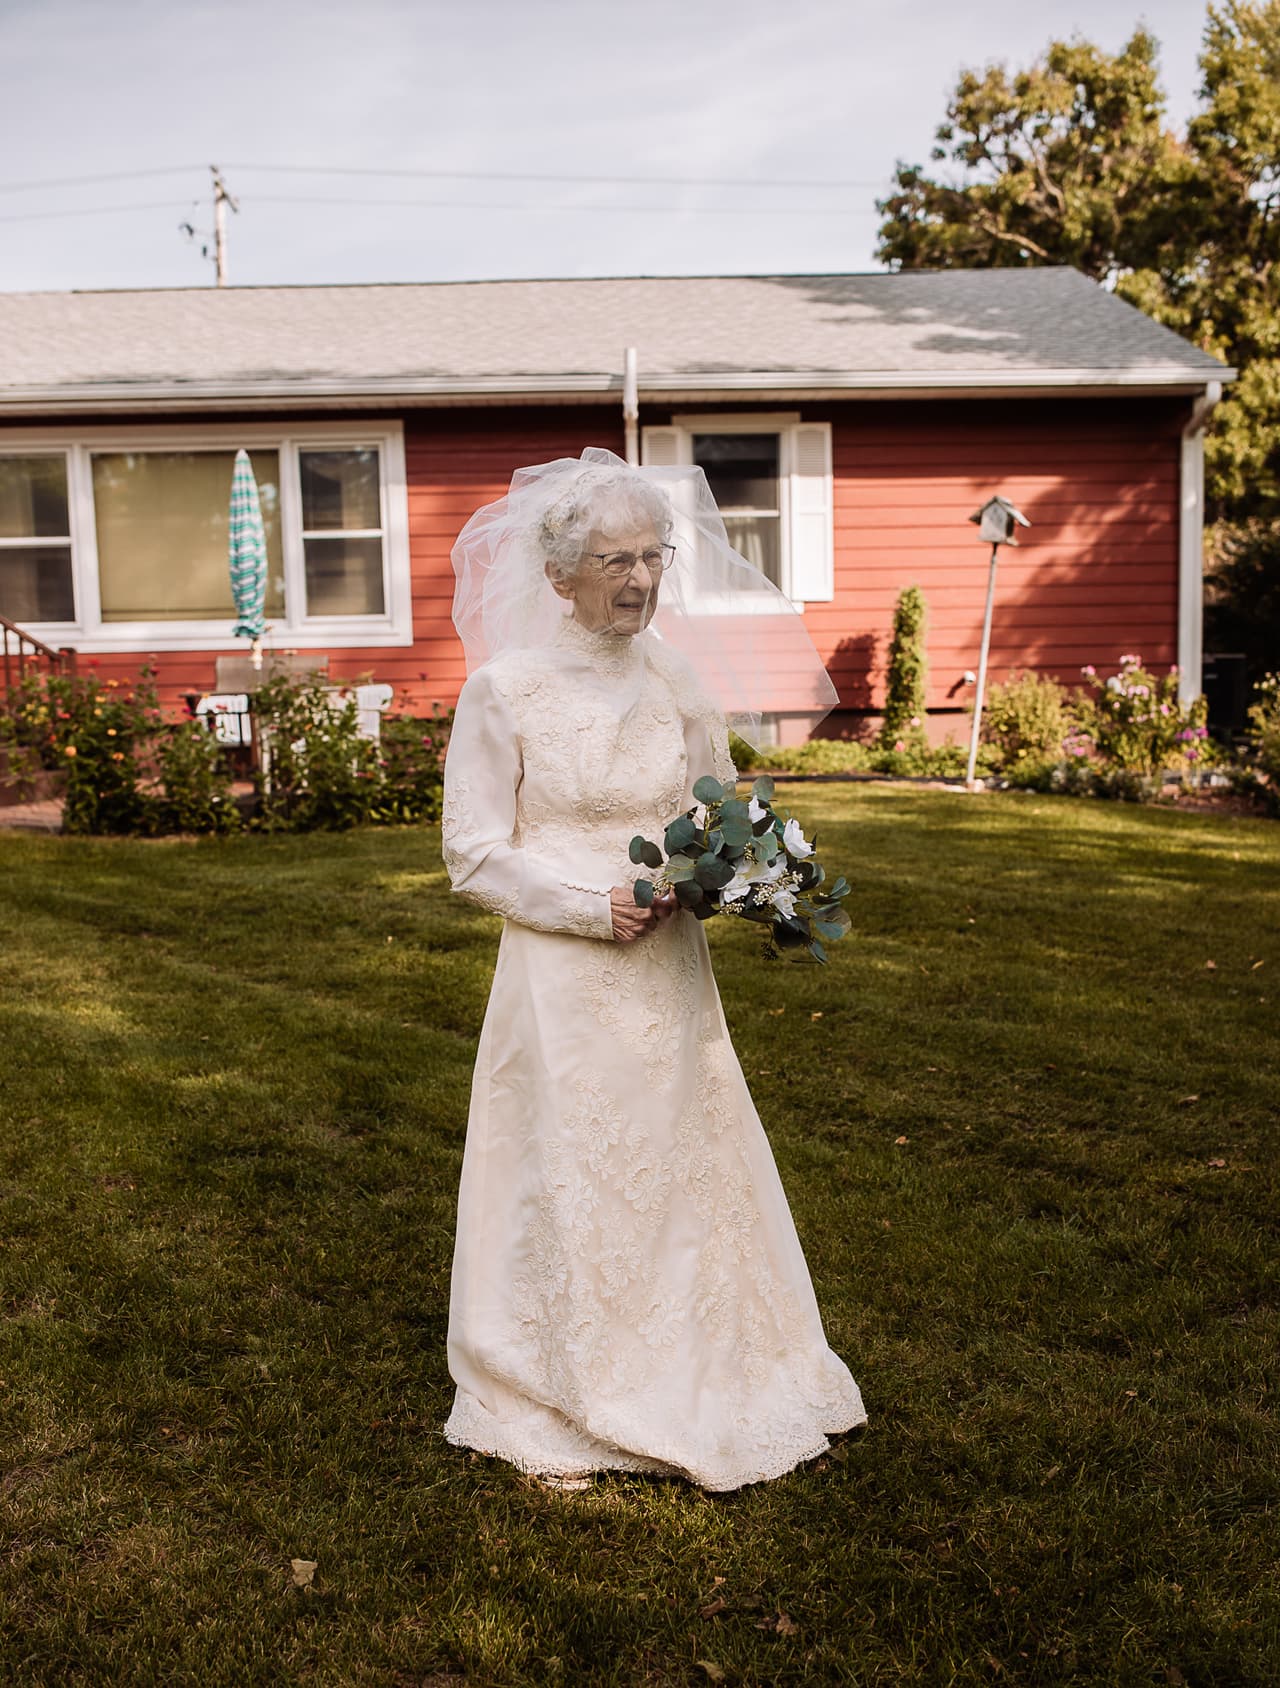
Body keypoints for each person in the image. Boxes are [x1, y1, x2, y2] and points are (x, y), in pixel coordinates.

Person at [440, 447, 865, 1490]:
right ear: (557, 576)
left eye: (651, 555)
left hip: (667, 966)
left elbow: (708, 806)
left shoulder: (674, 675)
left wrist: (738, 870)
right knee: (573, 1163)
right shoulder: (504, 691)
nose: (636, 579)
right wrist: (591, 906)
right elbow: (472, 854)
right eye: (611, 559)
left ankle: (708, 1357)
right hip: (562, 973)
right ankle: (560, 1382)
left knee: (684, 1152)